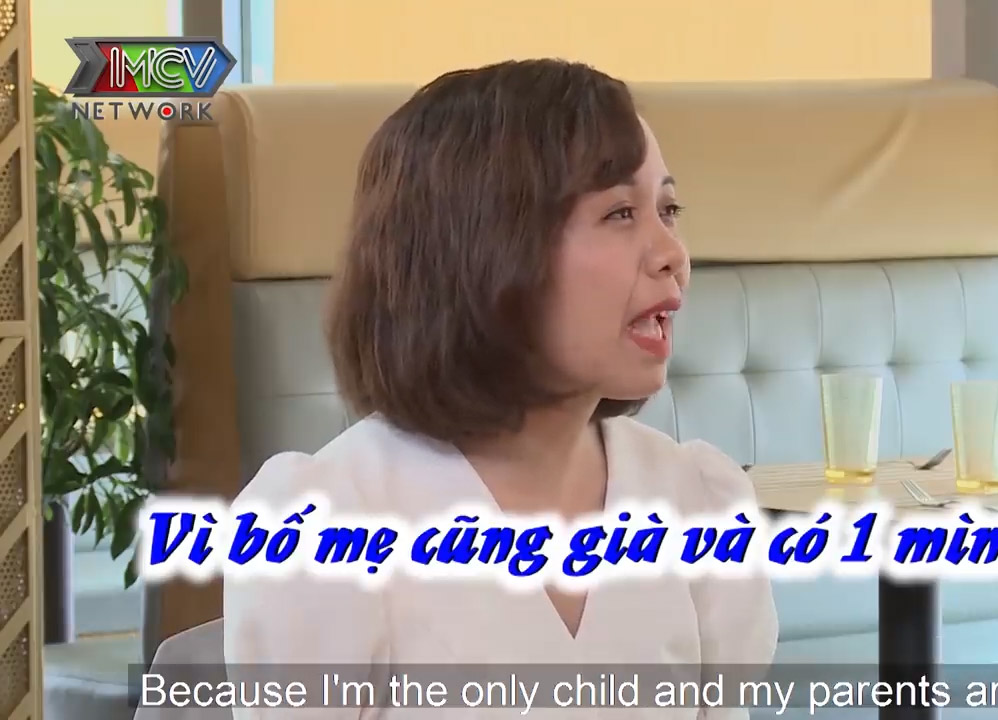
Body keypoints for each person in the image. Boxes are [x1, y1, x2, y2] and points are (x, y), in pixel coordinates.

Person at [223, 59, 778, 718]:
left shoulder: (696, 502)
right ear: (485, 249)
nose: (672, 256)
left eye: (669, 210)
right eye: (621, 213)